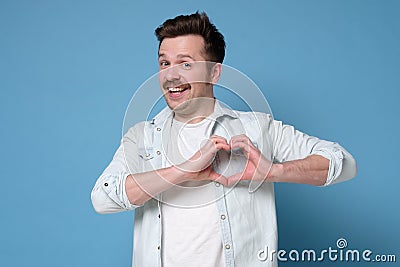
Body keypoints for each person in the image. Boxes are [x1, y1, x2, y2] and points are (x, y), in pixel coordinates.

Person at [91, 12, 357, 267]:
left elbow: (344, 164)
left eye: (185, 63)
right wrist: (183, 170)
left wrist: (273, 171)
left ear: (214, 73)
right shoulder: (142, 136)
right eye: (164, 63)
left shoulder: (259, 129)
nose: (171, 75)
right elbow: (102, 198)